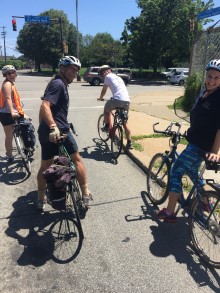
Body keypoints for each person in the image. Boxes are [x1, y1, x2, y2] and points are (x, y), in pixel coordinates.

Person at [157, 59, 220, 223]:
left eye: (216, 78)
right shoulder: (206, 92)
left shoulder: (218, 99)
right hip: (195, 141)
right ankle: (206, 203)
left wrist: (214, 151)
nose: (211, 80)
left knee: (176, 172)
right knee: (193, 173)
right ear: (206, 76)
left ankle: (170, 212)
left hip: (200, 146)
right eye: (209, 76)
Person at [37, 55, 92, 211]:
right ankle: (85, 194)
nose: (74, 72)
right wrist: (53, 126)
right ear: (62, 68)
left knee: (45, 166)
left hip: (47, 132)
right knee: (76, 160)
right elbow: (44, 106)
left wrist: (43, 128)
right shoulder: (58, 84)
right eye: (71, 69)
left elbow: (44, 109)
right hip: (59, 131)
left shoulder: (56, 83)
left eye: (76, 70)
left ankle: (40, 199)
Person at [97, 65, 133, 149]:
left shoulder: (107, 77)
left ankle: (106, 126)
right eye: (103, 72)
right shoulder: (118, 77)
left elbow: (104, 90)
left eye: (104, 72)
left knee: (106, 110)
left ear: (109, 71)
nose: (104, 73)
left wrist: (101, 98)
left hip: (117, 100)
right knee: (124, 123)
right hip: (127, 101)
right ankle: (129, 142)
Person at [0, 65, 27, 163]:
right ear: (5, 75)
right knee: (9, 135)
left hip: (14, 112)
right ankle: (10, 155)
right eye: (8, 73)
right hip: (7, 113)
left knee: (25, 125)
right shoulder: (7, 84)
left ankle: (25, 147)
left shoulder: (11, 84)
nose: (11, 75)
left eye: (13, 72)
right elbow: (7, 98)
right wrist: (12, 111)